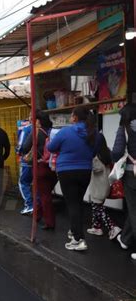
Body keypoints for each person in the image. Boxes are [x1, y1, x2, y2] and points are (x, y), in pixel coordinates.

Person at [47, 106, 99, 251]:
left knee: (73, 204)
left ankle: (78, 239)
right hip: (85, 171)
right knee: (77, 202)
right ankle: (74, 230)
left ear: (75, 118)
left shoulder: (65, 131)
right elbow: (94, 151)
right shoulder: (94, 133)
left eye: (71, 115)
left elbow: (51, 147)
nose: (70, 118)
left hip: (66, 171)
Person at [22, 111, 57, 229]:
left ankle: (49, 222)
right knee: (44, 193)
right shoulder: (53, 131)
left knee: (44, 195)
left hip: (40, 166)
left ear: (38, 121)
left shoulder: (36, 131)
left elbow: (25, 147)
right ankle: (37, 215)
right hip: (53, 166)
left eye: (33, 119)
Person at [112, 103, 136, 260]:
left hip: (131, 175)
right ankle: (125, 239)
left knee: (134, 210)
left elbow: (117, 152)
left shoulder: (125, 130)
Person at [87, 135, 122, 239]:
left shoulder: (96, 157)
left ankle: (113, 227)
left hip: (98, 187)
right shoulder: (107, 152)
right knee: (96, 206)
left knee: (99, 209)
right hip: (105, 184)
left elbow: (95, 168)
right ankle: (96, 227)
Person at [17, 116, 34, 215]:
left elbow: (21, 145)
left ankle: (29, 205)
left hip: (27, 160)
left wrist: (19, 152)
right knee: (38, 184)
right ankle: (38, 206)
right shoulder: (45, 129)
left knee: (23, 182)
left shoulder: (26, 129)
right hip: (41, 161)